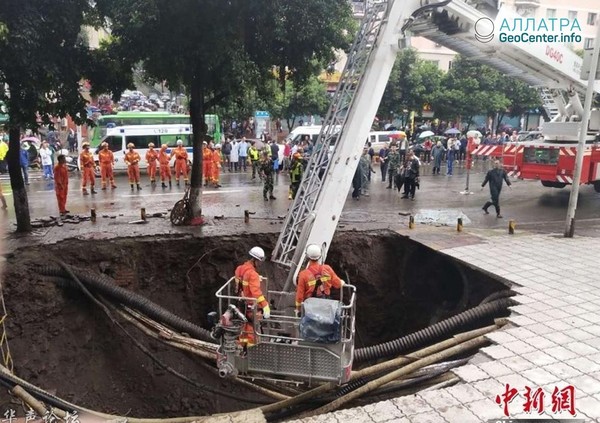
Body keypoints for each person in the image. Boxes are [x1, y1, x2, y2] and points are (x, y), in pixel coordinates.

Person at [234, 246, 270, 347]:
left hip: (241, 303)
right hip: (250, 306)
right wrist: (265, 305)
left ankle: (242, 348)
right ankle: (251, 351)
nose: (260, 264)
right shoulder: (252, 274)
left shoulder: (239, 269)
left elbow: (241, 285)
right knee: (251, 331)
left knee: (243, 328)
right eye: (259, 261)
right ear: (255, 260)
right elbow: (256, 293)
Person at [295, 244, 345, 315]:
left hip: (310, 307)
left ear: (307, 256)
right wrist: (342, 282)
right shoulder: (327, 268)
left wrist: (298, 309)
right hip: (325, 305)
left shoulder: (303, 274)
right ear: (320, 256)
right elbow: (338, 284)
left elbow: (300, 295)